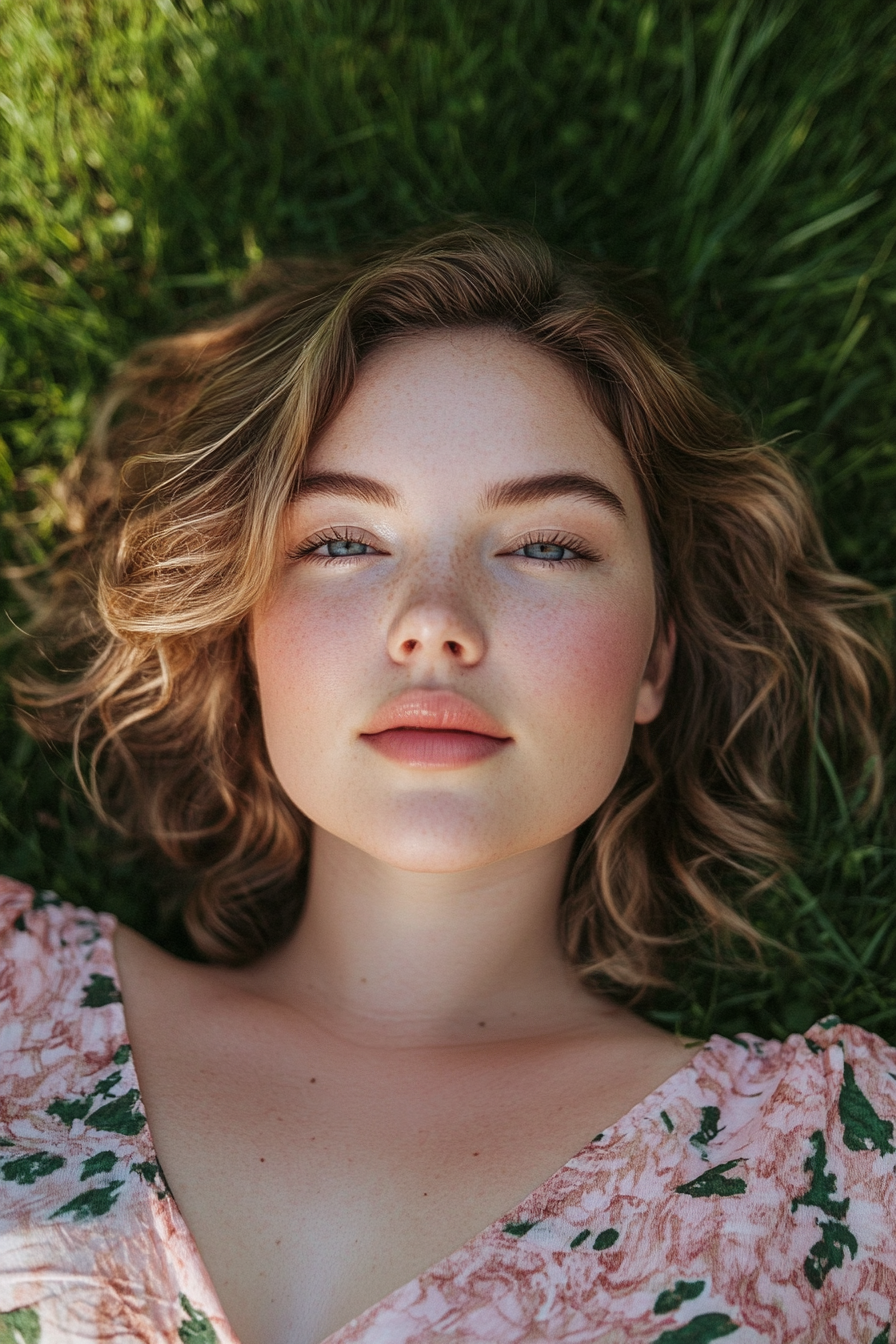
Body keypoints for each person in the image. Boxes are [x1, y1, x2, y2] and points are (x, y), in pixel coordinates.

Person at [0, 224, 893, 1344]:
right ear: (244, 626)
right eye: (340, 542)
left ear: (653, 659)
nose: (432, 621)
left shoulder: (835, 1175)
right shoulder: (8, 995)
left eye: (545, 548)